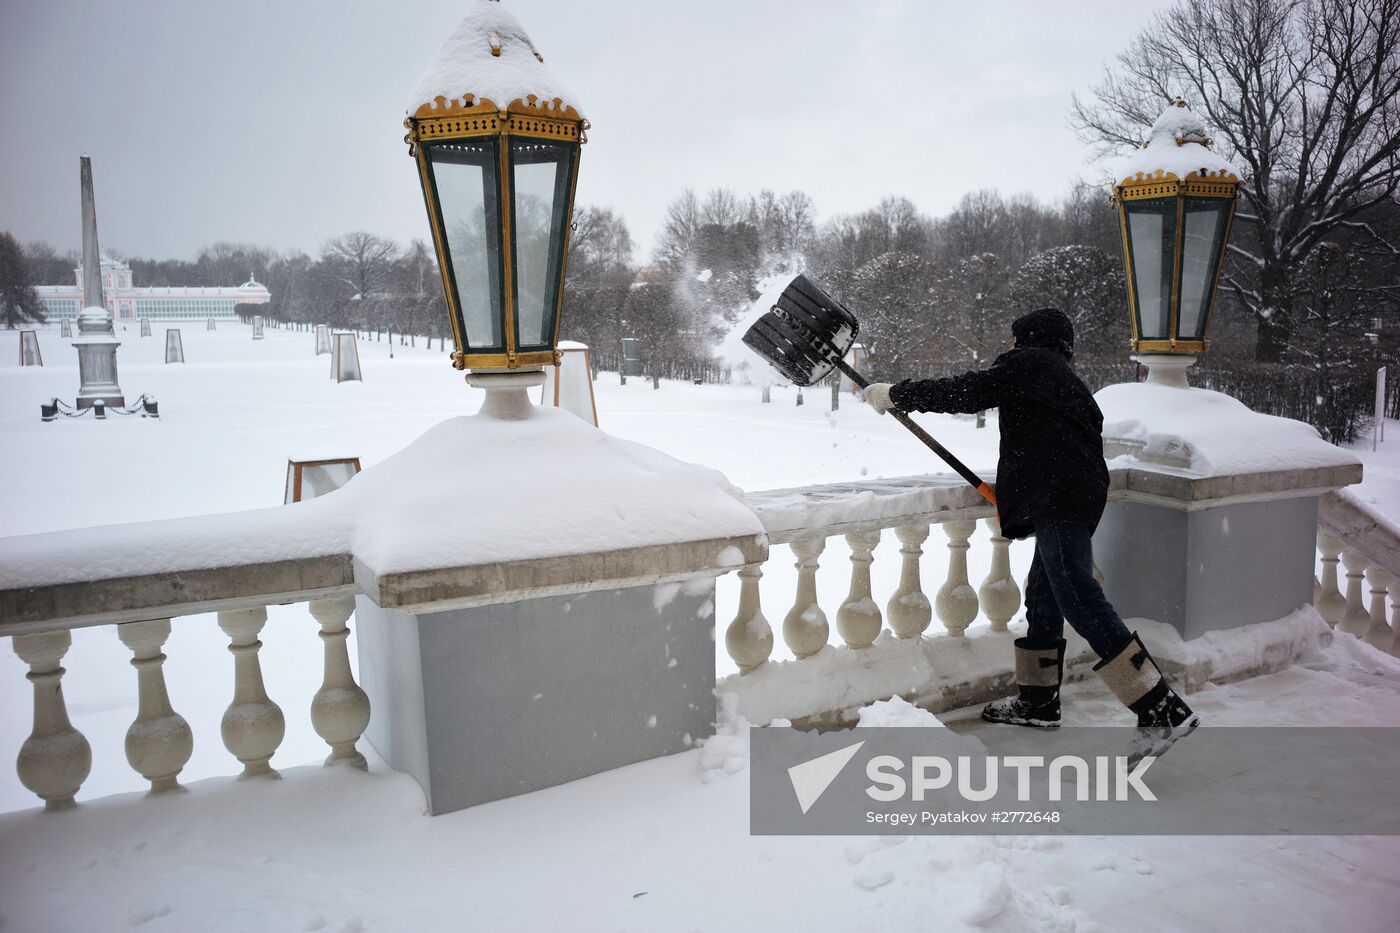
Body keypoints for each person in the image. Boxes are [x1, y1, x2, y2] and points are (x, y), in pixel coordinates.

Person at [861, 308, 1198, 762]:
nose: (1013, 348)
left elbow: (965, 390)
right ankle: (1038, 702)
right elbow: (1054, 441)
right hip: (1075, 496)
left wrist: (897, 393)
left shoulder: (1029, 365)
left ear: (1029, 340)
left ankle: (1159, 707)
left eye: (1017, 340)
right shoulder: (1069, 382)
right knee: (1044, 593)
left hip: (1057, 498)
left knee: (1078, 595)